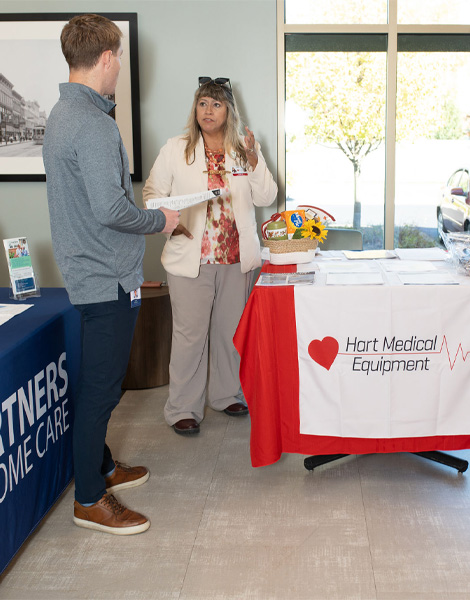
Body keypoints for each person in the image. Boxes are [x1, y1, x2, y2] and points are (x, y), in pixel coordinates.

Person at [43, 14, 179, 535]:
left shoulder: (62, 113)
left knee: (98, 384)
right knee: (101, 392)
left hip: (92, 270)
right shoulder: (92, 123)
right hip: (104, 278)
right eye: (118, 56)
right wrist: (160, 220)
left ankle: (101, 467)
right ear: (105, 59)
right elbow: (111, 209)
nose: (120, 65)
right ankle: (90, 500)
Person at [143, 77, 277, 435]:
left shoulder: (244, 149)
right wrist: (169, 224)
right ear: (195, 109)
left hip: (235, 258)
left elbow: (267, 197)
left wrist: (254, 160)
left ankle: (225, 394)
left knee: (230, 333)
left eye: (216, 104)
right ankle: (183, 408)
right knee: (190, 336)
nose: (208, 110)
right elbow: (153, 193)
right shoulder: (177, 148)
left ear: (228, 110)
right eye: (203, 103)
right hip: (192, 259)